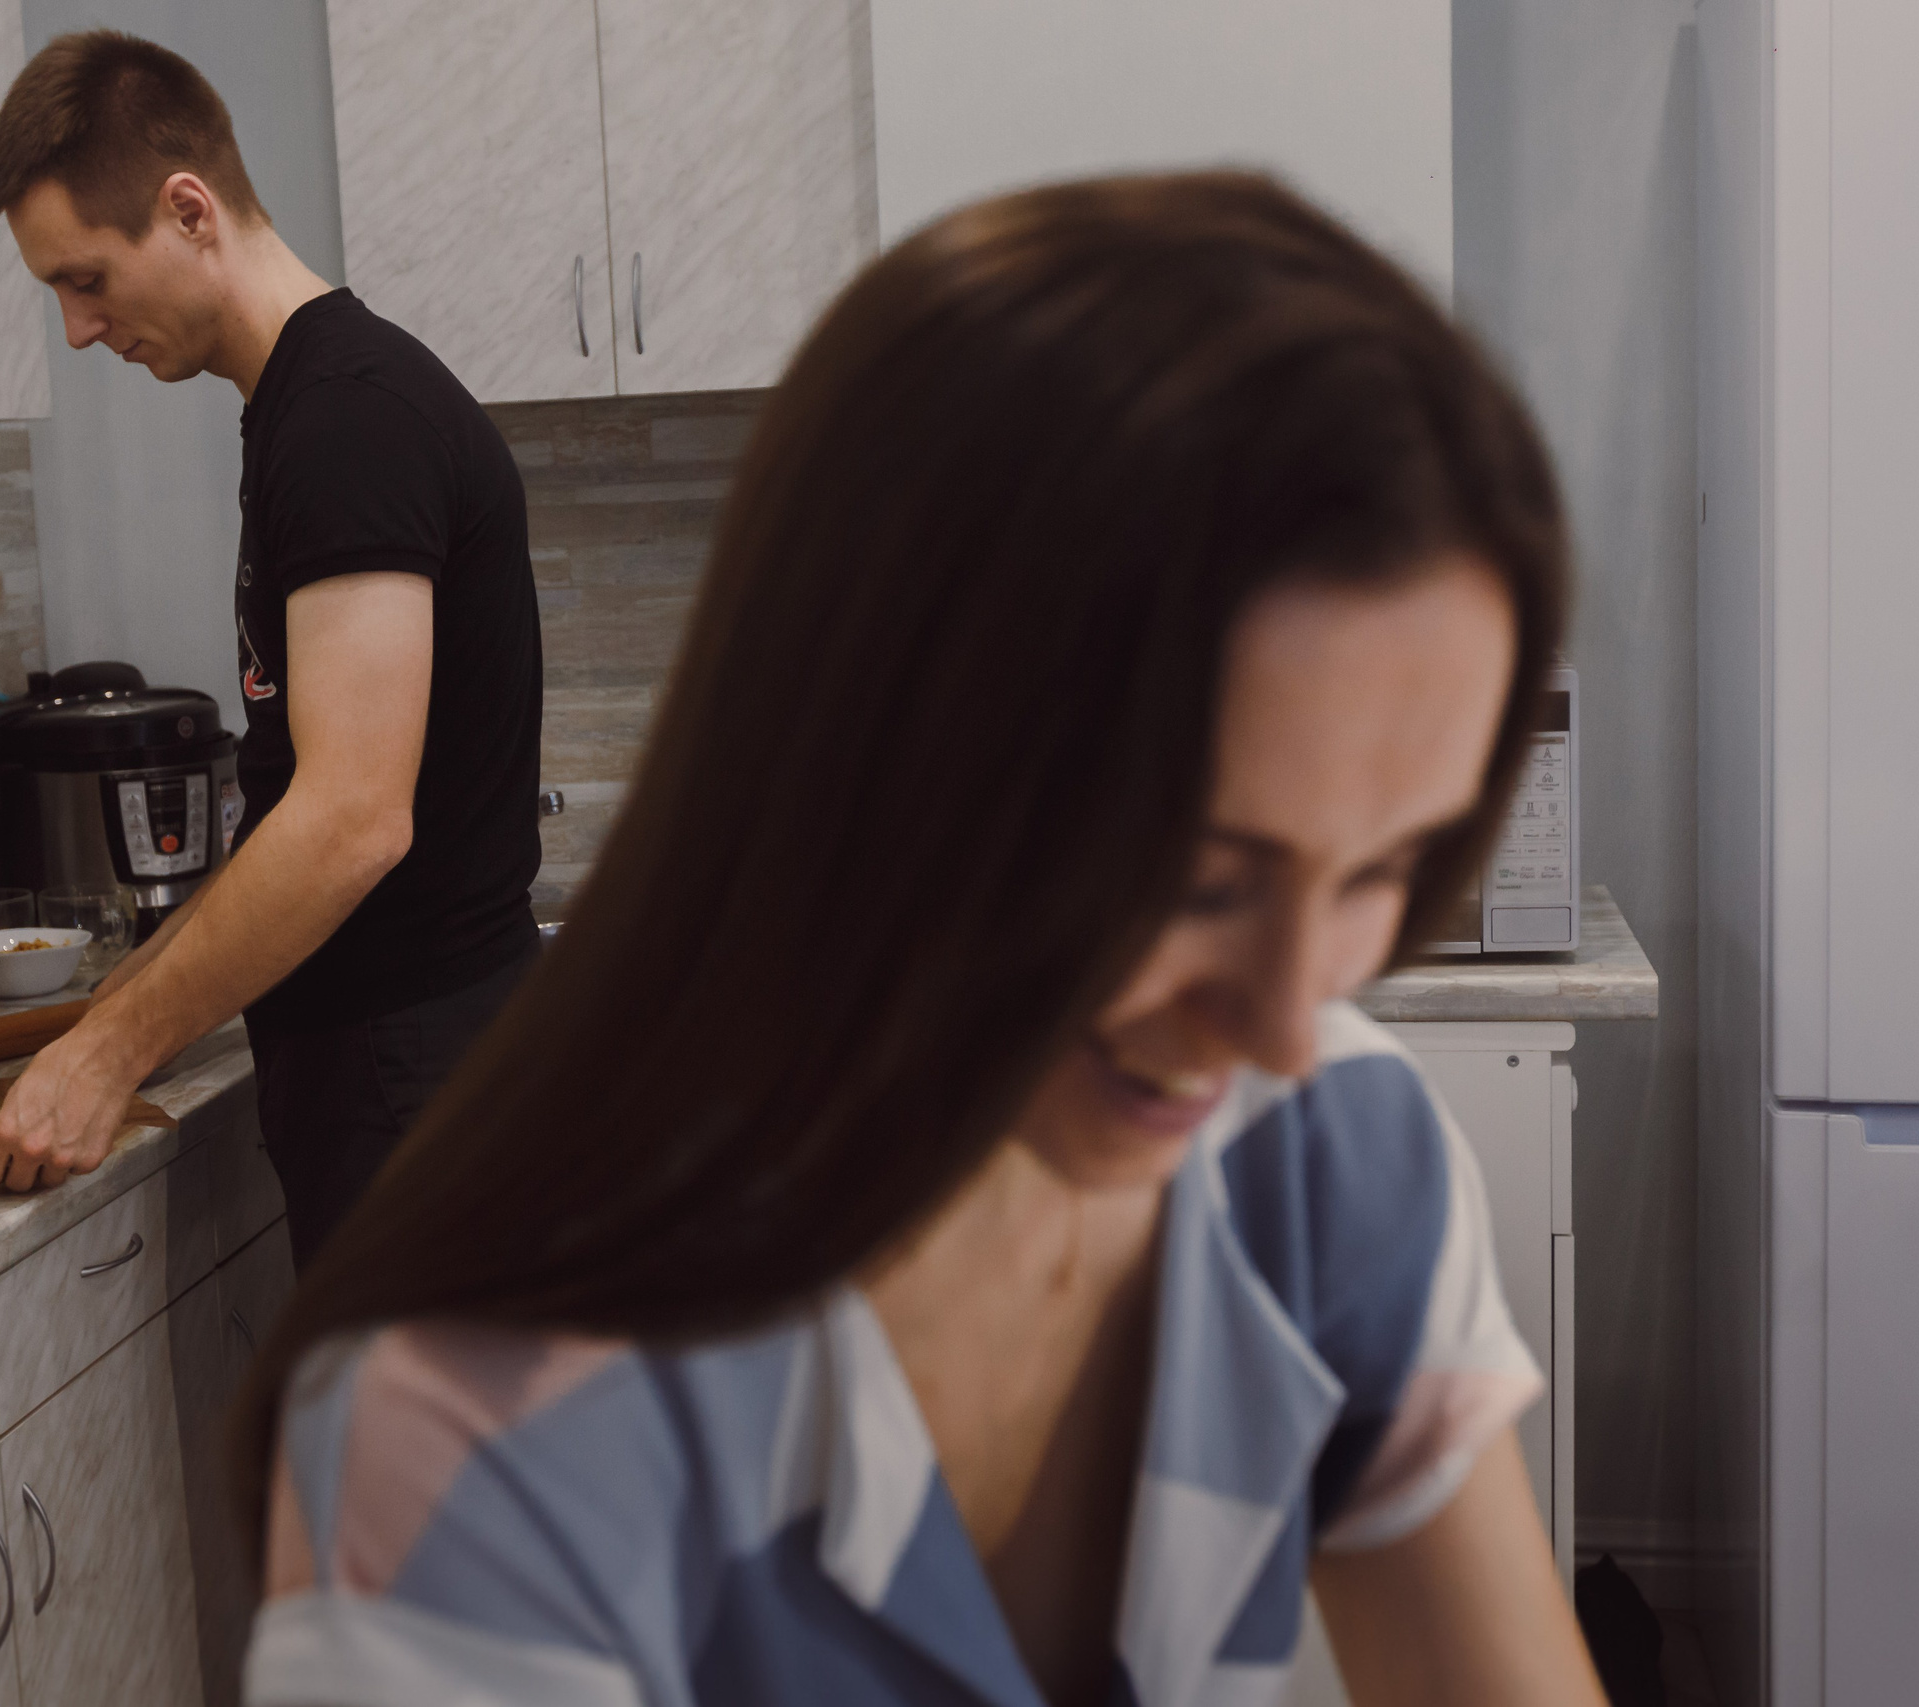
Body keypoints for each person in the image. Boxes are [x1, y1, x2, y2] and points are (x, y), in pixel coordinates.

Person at [229, 175, 1608, 1705]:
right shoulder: (477, 1425)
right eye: (1203, 879)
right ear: (873, 748)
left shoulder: (1329, 1150)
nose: (1288, 1020)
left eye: (1385, 868)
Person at [0, 32, 544, 1264]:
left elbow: (350, 822)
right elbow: (298, 801)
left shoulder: (346, 424)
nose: (77, 330)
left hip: (414, 1079)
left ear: (188, 211)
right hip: (401, 1066)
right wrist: (112, 1009)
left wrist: (110, 1055)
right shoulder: (310, 408)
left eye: (85, 278)